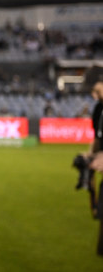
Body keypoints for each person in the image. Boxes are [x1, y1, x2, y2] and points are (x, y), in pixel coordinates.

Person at [81, 80, 103, 256]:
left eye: (96, 89)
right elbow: (97, 138)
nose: (93, 93)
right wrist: (90, 156)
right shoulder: (98, 109)